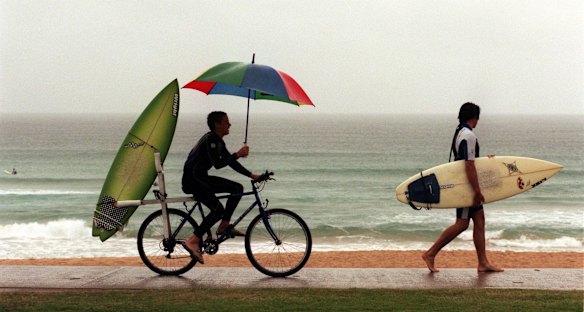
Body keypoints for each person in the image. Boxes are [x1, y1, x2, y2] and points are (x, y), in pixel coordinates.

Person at [422, 102, 503, 273]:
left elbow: (469, 161)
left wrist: (487, 162)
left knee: (479, 220)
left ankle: (483, 262)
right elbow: (468, 165)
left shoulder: (459, 133)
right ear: (475, 118)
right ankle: (430, 253)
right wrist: (476, 191)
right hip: (466, 187)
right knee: (461, 224)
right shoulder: (469, 136)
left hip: (464, 184)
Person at [182, 111, 259, 263]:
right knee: (217, 210)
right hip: (193, 181)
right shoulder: (211, 139)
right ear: (217, 124)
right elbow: (218, 164)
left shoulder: (217, 141)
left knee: (237, 188)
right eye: (226, 122)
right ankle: (193, 240)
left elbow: (230, 162)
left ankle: (224, 226)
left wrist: (252, 175)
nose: (229, 125)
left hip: (201, 178)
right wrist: (237, 154)